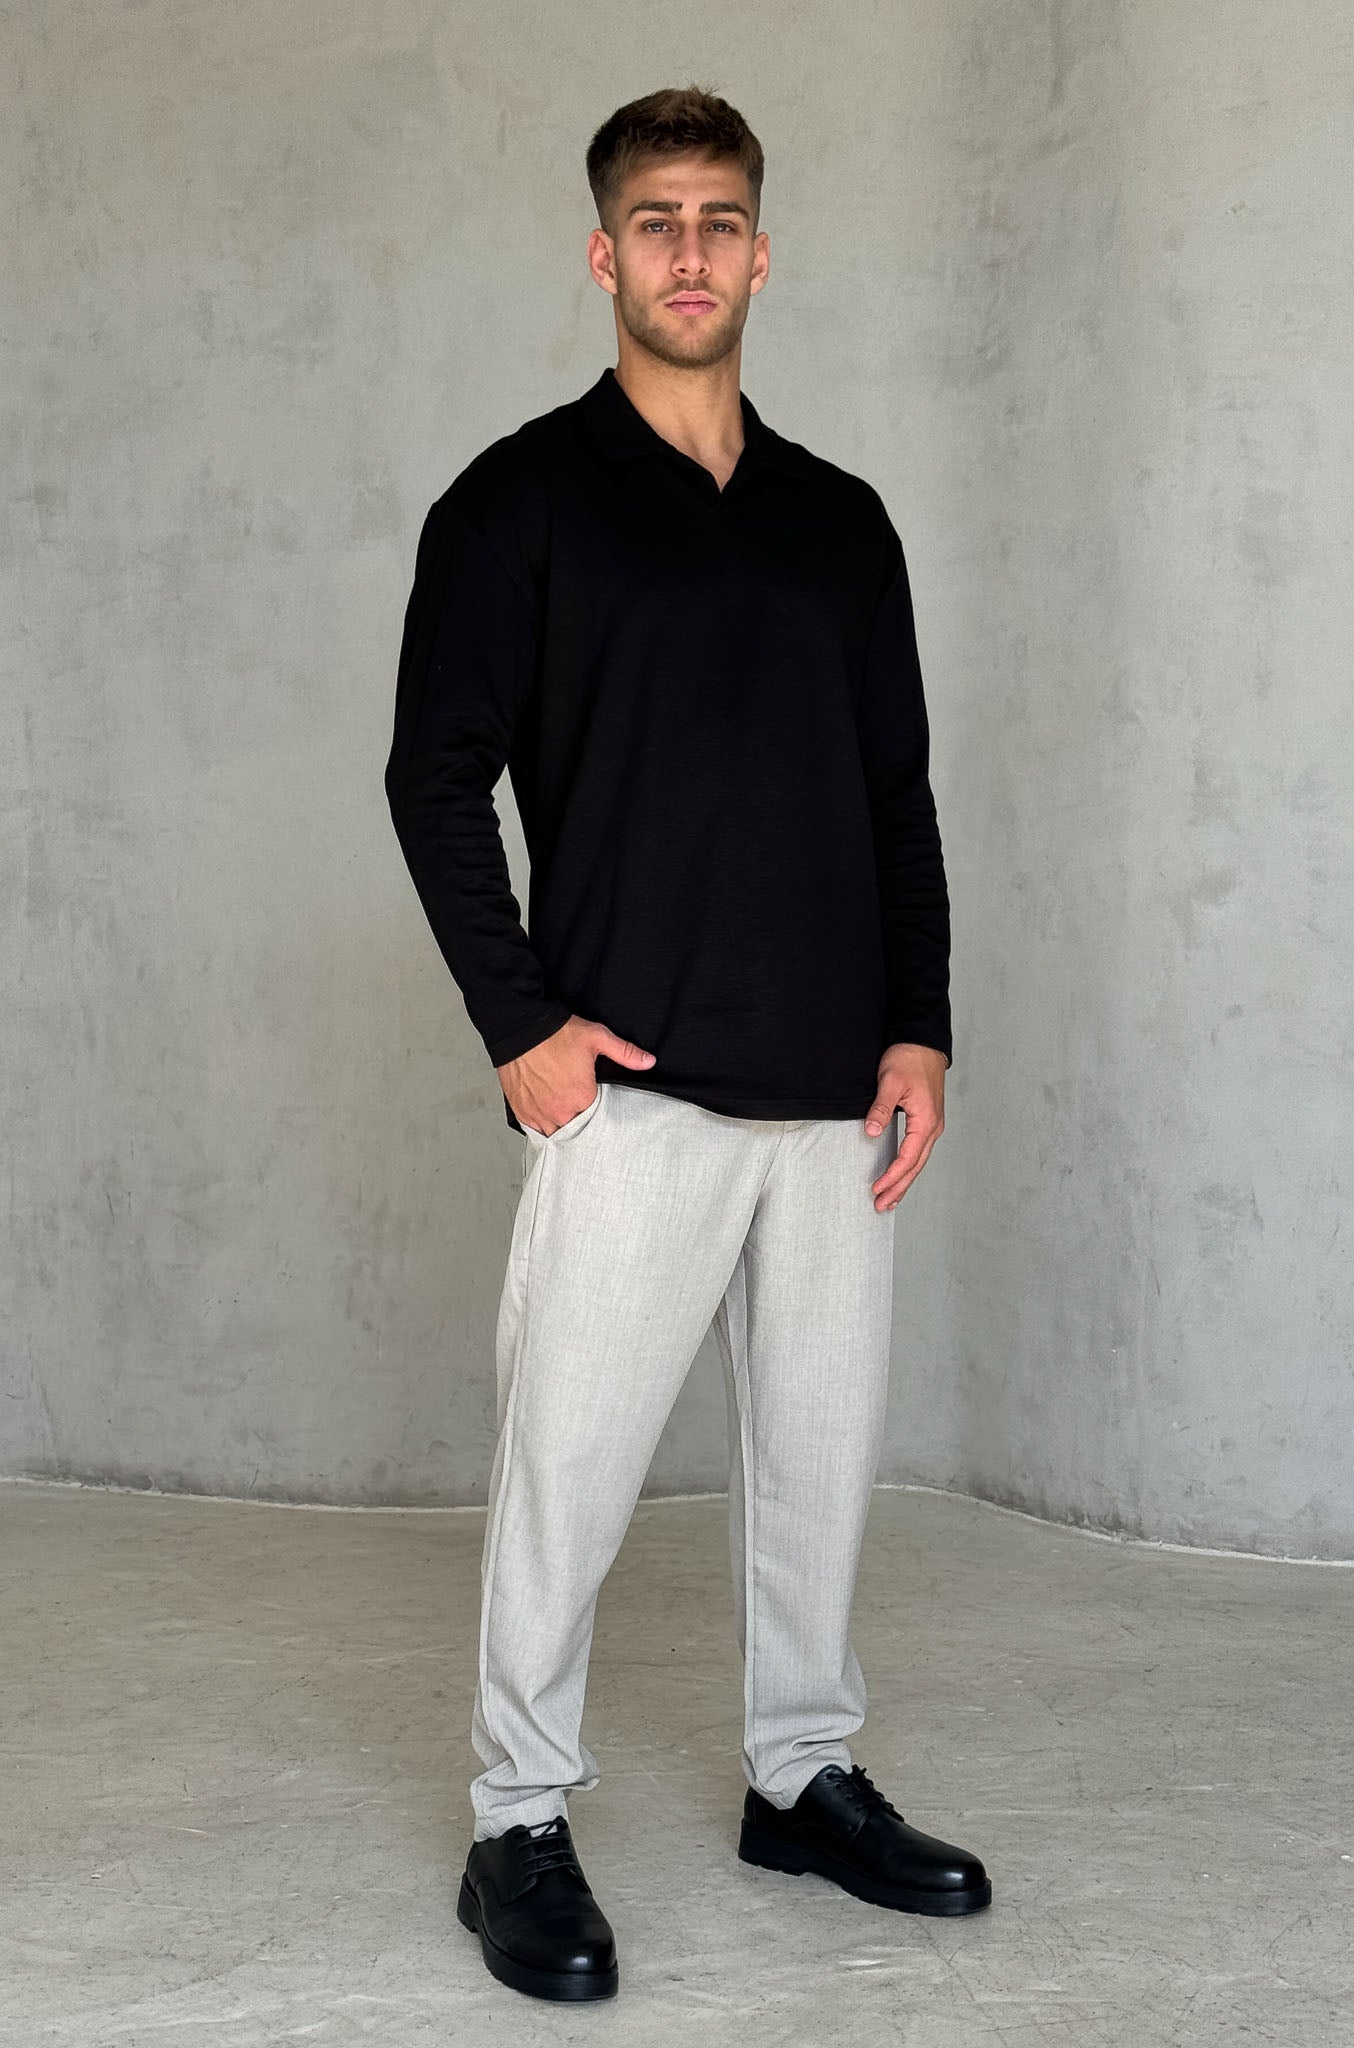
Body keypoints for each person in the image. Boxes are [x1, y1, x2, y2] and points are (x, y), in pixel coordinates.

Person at [384, 83, 991, 2004]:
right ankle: (514, 1822)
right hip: (630, 1089)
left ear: (760, 251)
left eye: (720, 218)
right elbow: (432, 778)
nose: (689, 251)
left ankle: (799, 1779)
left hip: (830, 1095)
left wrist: (918, 1027)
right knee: (565, 1478)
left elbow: (895, 800)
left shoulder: (840, 524)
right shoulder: (518, 503)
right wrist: (521, 1029)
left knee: (818, 1470)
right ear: (602, 253)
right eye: (655, 220)